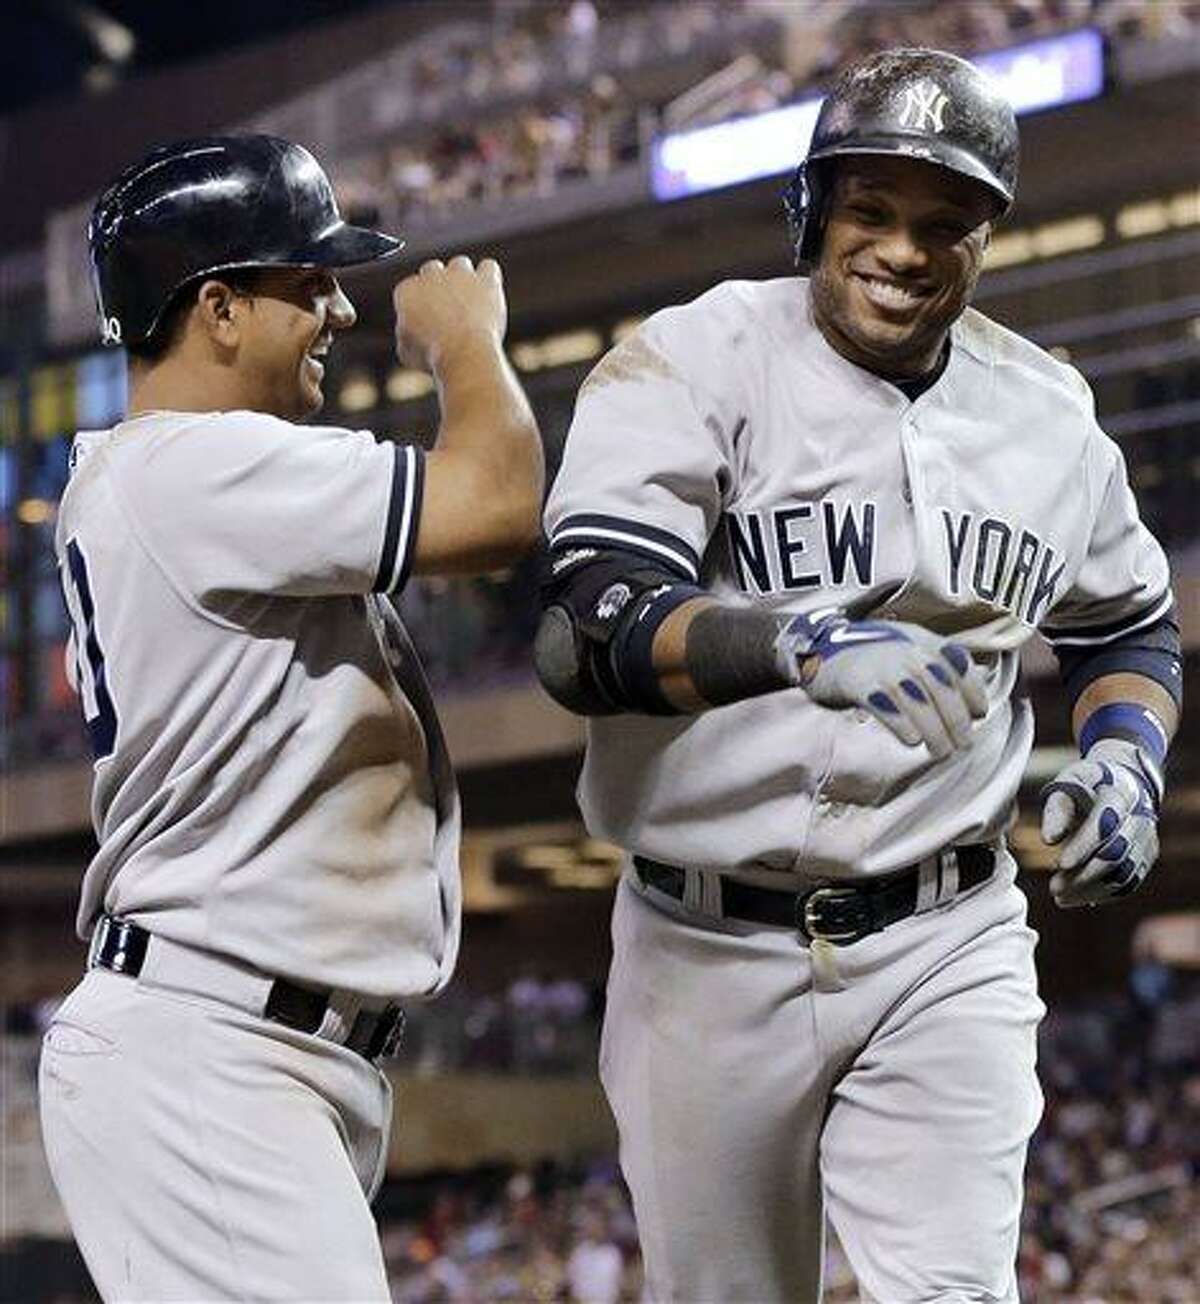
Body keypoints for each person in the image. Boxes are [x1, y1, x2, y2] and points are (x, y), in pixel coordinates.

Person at [536, 48, 1181, 1303]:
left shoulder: (1049, 413)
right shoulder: (694, 358)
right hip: (702, 943)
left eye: (947, 223)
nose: (905, 249)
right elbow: (583, 631)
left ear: (985, 242)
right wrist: (796, 639)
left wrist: (1127, 761)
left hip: (947, 928)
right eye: (871, 211)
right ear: (812, 211)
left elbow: (1129, 626)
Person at [39, 134, 542, 1301]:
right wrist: (465, 342)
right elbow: (497, 500)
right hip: (209, 1045)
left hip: (250, 1047)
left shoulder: (180, 481)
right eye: (305, 283)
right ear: (216, 308)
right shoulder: (193, 468)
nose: (338, 312)